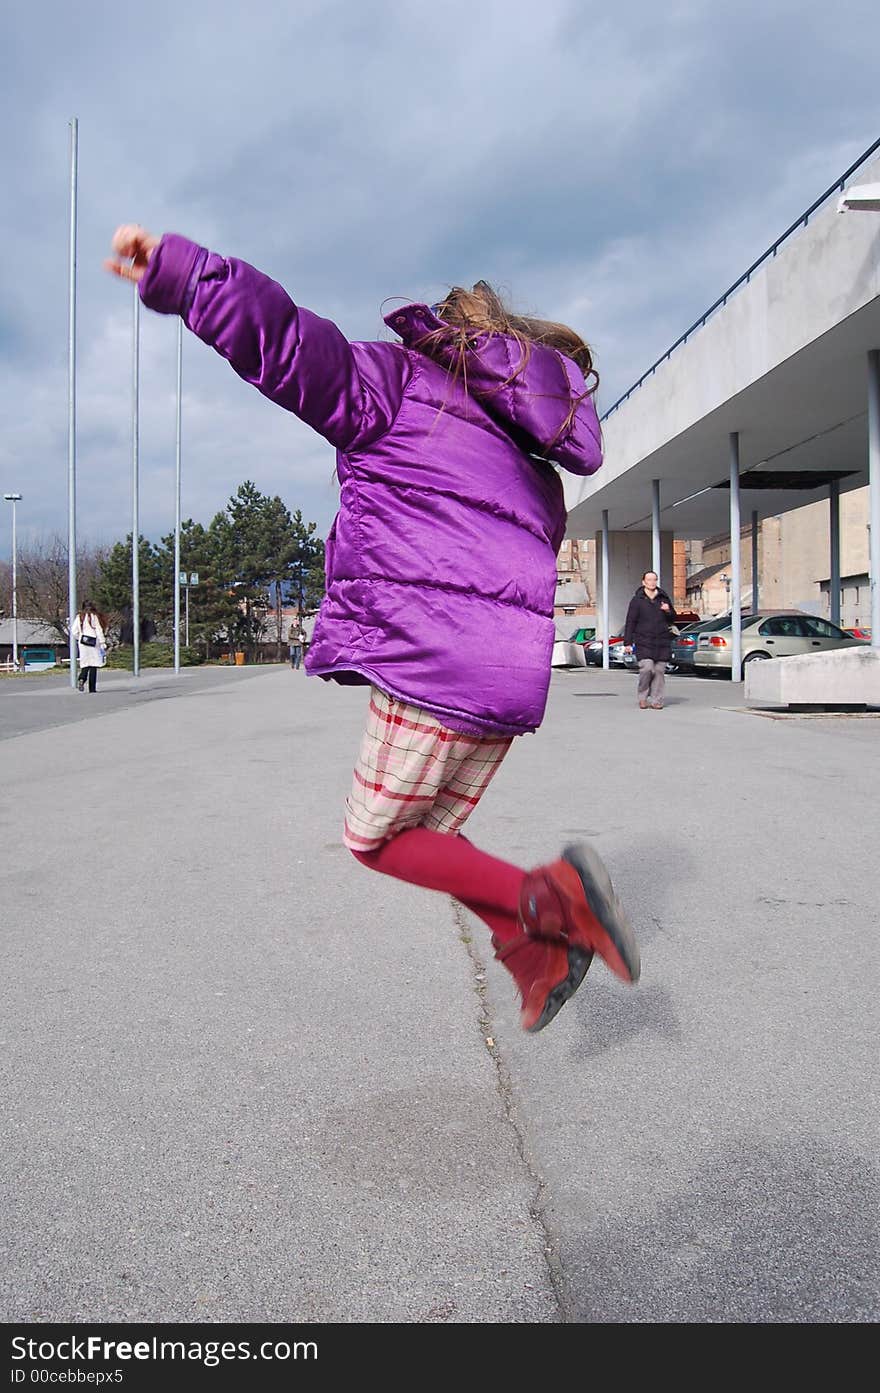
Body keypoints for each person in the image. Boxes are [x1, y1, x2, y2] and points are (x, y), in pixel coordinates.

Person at [106, 226, 640, 1033]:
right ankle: (529, 946)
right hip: (509, 675)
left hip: (433, 657)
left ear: (451, 331)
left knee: (374, 840)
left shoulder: (396, 384)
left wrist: (182, 274)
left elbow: (287, 343)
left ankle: (552, 900)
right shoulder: (530, 455)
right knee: (430, 834)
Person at [623, 571, 678, 709]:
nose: (652, 582)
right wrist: (628, 642)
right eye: (649, 580)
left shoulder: (663, 598)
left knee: (659, 671)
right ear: (644, 582)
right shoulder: (637, 600)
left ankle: (656, 700)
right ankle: (643, 697)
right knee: (647, 668)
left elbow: (673, 618)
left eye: (654, 579)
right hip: (644, 641)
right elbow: (630, 621)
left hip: (662, 641)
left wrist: (668, 611)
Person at [72, 601, 107, 693]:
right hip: (93, 642)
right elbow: (99, 630)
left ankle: (82, 679)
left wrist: (79, 638)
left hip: (83, 642)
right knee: (93, 665)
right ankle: (92, 688)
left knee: (85, 663)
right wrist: (102, 642)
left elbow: (74, 631)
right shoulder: (94, 617)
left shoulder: (79, 617)